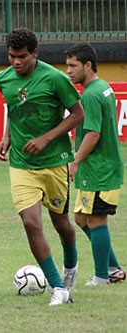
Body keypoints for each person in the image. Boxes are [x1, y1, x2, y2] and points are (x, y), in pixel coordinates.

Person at [0, 28, 85, 306]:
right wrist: (7, 137)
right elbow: (13, 106)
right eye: (12, 56)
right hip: (21, 164)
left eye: (22, 57)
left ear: (34, 53)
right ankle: (57, 287)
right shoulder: (3, 78)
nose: (16, 62)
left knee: (62, 224)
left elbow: (79, 114)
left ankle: (70, 266)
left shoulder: (55, 79)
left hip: (55, 163)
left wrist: (46, 139)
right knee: (31, 222)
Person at [65, 43, 126, 286]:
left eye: (73, 65)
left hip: (99, 169)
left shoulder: (90, 95)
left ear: (87, 65)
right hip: (101, 167)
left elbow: (93, 134)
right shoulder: (103, 88)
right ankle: (113, 268)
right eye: (67, 65)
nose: (68, 71)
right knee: (81, 218)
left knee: (97, 220)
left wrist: (75, 161)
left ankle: (102, 276)